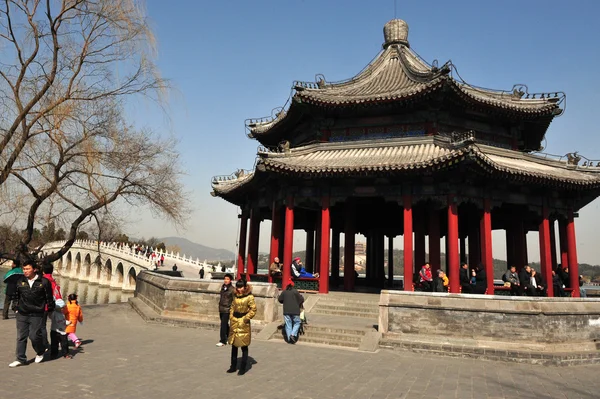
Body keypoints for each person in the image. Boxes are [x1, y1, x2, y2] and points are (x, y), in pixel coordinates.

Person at [9, 260, 55, 367]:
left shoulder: (44, 282)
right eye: (24, 269)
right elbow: (16, 296)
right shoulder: (20, 281)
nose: (25, 271)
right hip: (22, 313)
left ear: (34, 269)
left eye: (28, 269)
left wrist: (50, 310)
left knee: (34, 336)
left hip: (37, 313)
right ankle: (20, 358)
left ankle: (40, 351)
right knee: (21, 336)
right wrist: (15, 307)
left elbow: (49, 298)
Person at [227, 279, 257, 375]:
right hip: (234, 321)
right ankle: (233, 366)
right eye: (238, 287)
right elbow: (232, 306)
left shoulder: (249, 297)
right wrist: (231, 316)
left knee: (244, 345)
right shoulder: (235, 295)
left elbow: (253, 309)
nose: (239, 289)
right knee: (234, 345)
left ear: (245, 287)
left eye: (240, 287)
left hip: (243, 322)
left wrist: (245, 319)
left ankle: (243, 368)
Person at [278, 279, 304, 343]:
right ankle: (293, 334)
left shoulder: (284, 292)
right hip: (295, 311)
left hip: (286, 311)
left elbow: (280, 300)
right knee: (297, 323)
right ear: (292, 285)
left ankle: (289, 339)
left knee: (288, 324)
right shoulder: (295, 291)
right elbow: (301, 299)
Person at [216, 273, 234, 347]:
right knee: (225, 324)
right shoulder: (223, 287)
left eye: (227, 279)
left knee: (223, 325)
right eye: (225, 279)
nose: (226, 280)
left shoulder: (232, 289)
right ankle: (230, 337)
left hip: (227, 309)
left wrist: (231, 309)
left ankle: (223, 340)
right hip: (221, 308)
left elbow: (234, 300)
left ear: (230, 280)